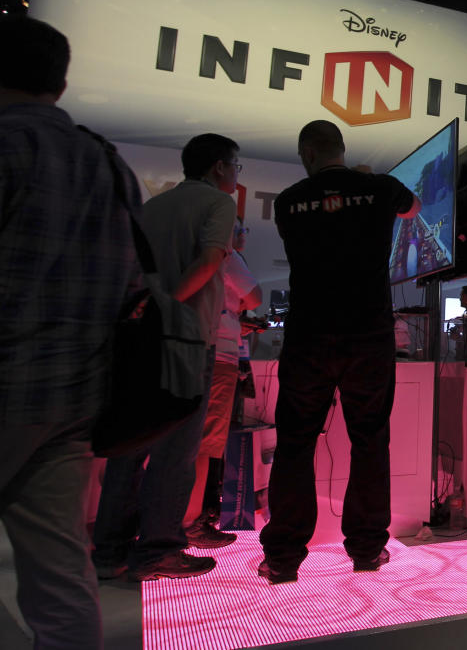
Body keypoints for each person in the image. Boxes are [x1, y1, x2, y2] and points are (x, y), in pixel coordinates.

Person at [0, 16, 137, 648]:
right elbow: (138, 286)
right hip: (75, 398)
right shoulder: (108, 163)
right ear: (60, 81)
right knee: (60, 584)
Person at [258, 120, 420, 584]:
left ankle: (284, 558)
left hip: (309, 336)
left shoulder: (290, 201)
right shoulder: (380, 188)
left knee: (295, 443)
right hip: (368, 335)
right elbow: (414, 208)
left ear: (307, 153)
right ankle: (368, 550)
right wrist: (368, 184)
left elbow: (323, 221)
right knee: (369, 441)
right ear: (342, 150)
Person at [93, 132, 240, 582]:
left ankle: (109, 551)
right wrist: (170, 308)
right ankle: (158, 551)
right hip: (189, 337)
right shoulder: (219, 204)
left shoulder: (152, 208)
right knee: (177, 450)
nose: (236, 175)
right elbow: (212, 259)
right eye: (235, 166)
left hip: (141, 340)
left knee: (131, 444)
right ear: (218, 167)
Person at [184, 217, 263, 542]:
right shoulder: (228, 255)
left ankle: (182, 520)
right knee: (206, 442)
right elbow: (255, 296)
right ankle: (192, 523)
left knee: (189, 440)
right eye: (239, 228)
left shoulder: (186, 250)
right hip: (220, 355)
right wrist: (237, 309)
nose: (242, 235)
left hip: (194, 348)